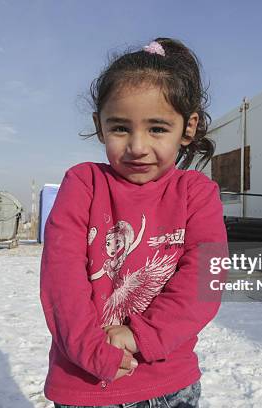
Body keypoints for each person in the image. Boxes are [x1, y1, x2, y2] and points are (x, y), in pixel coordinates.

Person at [39, 37, 229, 408]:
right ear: (99, 126)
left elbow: (206, 277)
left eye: (157, 128)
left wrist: (143, 335)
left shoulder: (197, 193)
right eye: (120, 128)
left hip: (169, 384)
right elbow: (61, 278)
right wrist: (93, 350)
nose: (138, 146)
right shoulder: (83, 184)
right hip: (85, 384)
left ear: (187, 127)